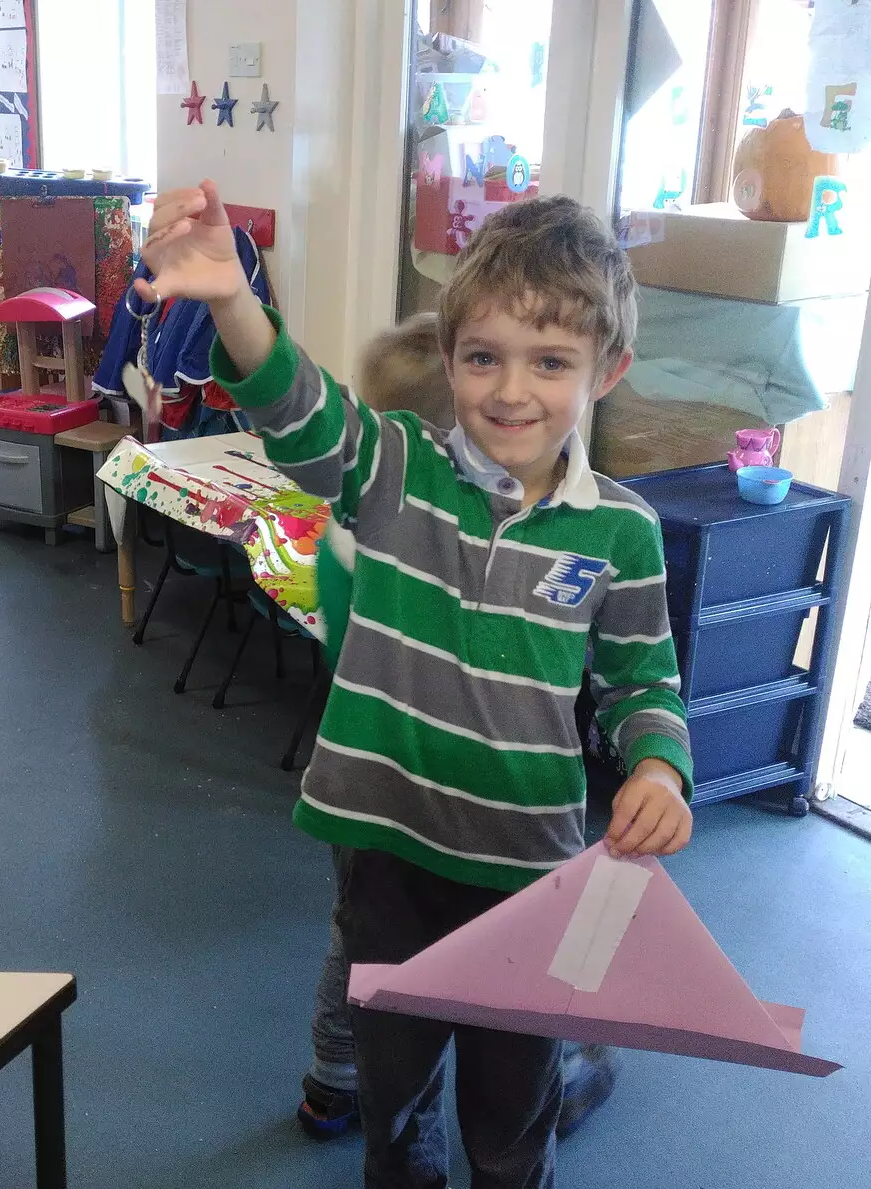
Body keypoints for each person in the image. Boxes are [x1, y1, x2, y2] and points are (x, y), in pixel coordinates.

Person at [138, 181, 695, 1189]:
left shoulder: (621, 532)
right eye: (483, 356)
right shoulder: (397, 469)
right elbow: (298, 411)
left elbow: (641, 679)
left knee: (511, 1120)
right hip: (385, 861)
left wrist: (657, 766)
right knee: (394, 1112)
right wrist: (230, 299)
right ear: (447, 358)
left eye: (550, 362)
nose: (510, 391)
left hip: (527, 877)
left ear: (604, 371)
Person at [298, 315, 620, 1147]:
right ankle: (551, 1063)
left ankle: (337, 1080)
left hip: (396, 800)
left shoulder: (354, 532)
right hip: (405, 802)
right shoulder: (396, 532)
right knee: (432, 961)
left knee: (366, 949)